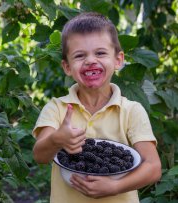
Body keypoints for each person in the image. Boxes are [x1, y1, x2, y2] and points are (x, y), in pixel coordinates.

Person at [32, 12, 161, 203]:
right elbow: (40, 156)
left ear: (118, 60)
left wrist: (115, 186)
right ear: (67, 67)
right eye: (79, 55)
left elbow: (153, 167)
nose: (90, 60)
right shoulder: (57, 108)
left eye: (100, 53)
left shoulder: (131, 111)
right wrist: (57, 139)